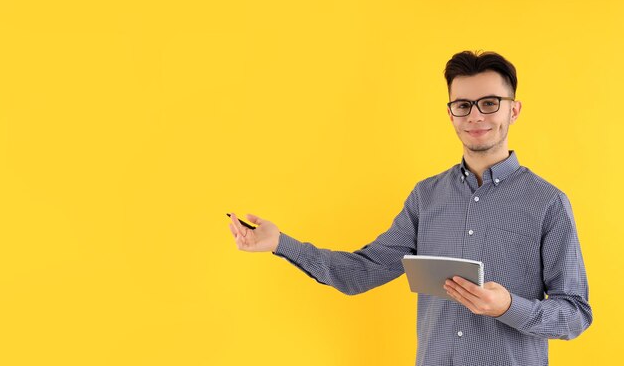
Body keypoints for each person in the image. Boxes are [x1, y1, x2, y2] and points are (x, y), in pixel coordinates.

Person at [227, 50, 593, 365]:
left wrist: (508, 306)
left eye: (490, 103)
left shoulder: (547, 203)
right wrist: (281, 243)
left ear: (514, 110)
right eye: (463, 105)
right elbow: (362, 272)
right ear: (451, 114)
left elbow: (575, 313)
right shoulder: (426, 197)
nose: (476, 116)